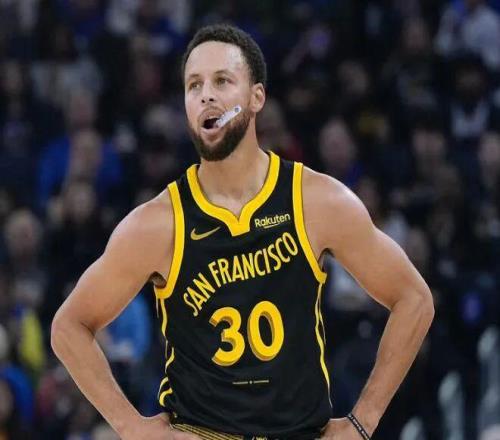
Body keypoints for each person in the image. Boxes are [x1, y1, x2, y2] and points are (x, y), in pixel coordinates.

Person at [51, 24, 435, 440]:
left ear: (257, 98)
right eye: (194, 85)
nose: (206, 95)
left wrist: (363, 421)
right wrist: (132, 427)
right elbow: (69, 327)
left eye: (222, 81)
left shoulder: (317, 200)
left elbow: (414, 299)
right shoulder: (158, 223)